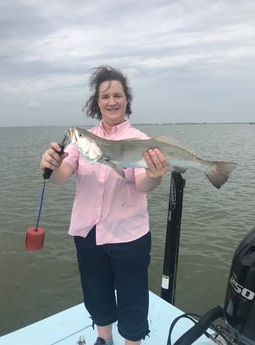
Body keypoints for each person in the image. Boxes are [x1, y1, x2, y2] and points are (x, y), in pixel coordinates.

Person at [40, 66, 169, 345]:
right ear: (97, 102)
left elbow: (142, 183)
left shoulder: (139, 140)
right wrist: (51, 165)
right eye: (105, 96)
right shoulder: (83, 140)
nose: (112, 101)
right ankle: (104, 339)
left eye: (118, 95)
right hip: (88, 234)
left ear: (127, 100)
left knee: (133, 297)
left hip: (129, 236)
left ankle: (132, 342)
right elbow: (62, 175)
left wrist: (156, 176)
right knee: (96, 293)